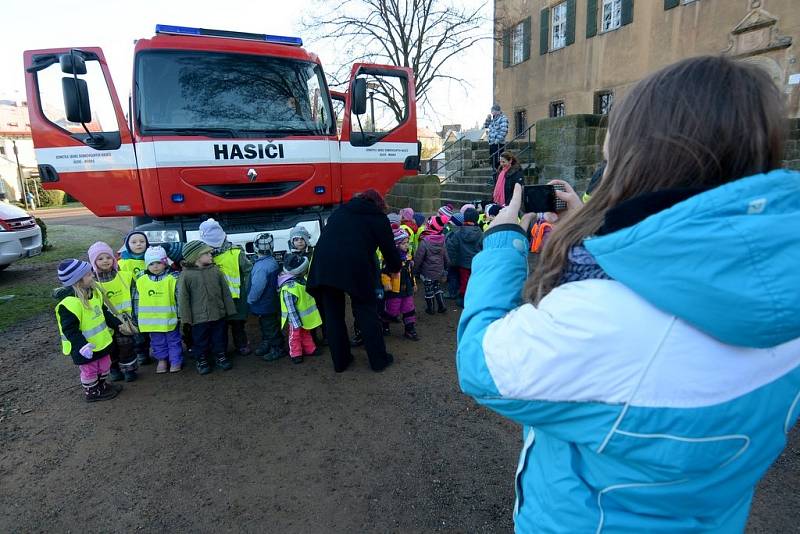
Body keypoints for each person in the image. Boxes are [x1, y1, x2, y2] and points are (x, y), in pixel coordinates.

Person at [456, 56, 800, 532]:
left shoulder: (604, 317)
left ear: (639, 161)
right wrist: (588, 228)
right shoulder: (784, 286)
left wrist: (501, 244)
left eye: (611, 157)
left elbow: (479, 365)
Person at [307, 189, 401, 373]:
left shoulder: (340, 211)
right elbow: (390, 251)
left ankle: (340, 362)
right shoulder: (378, 219)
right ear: (378, 204)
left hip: (324, 266)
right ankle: (378, 360)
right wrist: (394, 269)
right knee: (367, 312)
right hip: (355, 267)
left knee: (333, 315)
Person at [54, 259, 124, 402]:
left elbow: (104, 312)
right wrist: (82, 346)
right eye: (87, 274)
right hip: (84, 348)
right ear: (77, 280)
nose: (92, 275)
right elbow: (70, 330)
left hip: (101, 342)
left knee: (104, 366)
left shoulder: (94, 292)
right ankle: (92, 392)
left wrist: (118, 325)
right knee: (90, 370)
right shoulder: (68, 304)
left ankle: (102, 386)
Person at [177, 241, 237, 375]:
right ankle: (202, 359)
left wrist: (229, 309)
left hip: (218, 314)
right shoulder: (186, 275)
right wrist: (186, 318)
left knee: (220, 336)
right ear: (196, 256)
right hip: (198, 318)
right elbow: (183, 299)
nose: (211, 255)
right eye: (207, 253)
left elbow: (225, 292)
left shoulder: (216, 271)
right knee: (200, 339)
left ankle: (220, 355)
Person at [199, 218, 252, 356]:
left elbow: (248, 271)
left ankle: (241, 344)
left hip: (236, 298)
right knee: (219, 326)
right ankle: (221, 350)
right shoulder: (204, 257)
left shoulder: (236, 253)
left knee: (237, 324)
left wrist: (247, 289)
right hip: (216, 298)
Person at [88, 241, 139, 382]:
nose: (105, 261)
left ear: (114, 258)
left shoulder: (125, 276)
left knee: (126, 345)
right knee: (110, 347)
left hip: (124, 319)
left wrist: (135, 313)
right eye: (100, 258)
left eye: (108, 257)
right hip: (104, 321)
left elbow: (135, 296)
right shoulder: (91, 282)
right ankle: (114, 369)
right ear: (94, 261)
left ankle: (129, 369)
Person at [133, 246, 182, 373]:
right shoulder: (141, 280)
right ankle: (162, 360)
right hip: (152, 321)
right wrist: (137, 316)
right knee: (157, 342)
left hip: (169, 318)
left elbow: (178, 297)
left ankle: (175, 360)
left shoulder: (173, 278)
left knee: (173, 340)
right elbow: (137, 300)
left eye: (159, 263)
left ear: (165, 263)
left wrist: (180, 314)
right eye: (151, 263)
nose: (155, 266)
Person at [247, 233, 286, 362]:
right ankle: (268, 343)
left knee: (269, 326)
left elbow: (257, 287)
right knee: (269, 324)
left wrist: (251, 299)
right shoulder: (272, 262)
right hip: (271, 302)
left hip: (264, 303)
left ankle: (277, 348)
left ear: (255, 248)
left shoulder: (260, 267)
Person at [279, 253, 322, 364]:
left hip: (304, 318)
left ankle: (310, 349)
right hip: (295, 320)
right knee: (295, 336)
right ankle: (295, 353)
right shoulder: (289, 288)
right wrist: (295, 322)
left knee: (306, 333)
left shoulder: (302, 280)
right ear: (300, 271)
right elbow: (290, 307)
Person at [381, 229, 418, 341]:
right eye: (403, 243)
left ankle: (409, 329)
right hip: (394, 290)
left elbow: (411, 273)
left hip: (407, 289)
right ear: (396, 245)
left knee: (409, 308)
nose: (407, 245)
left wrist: (414, 283)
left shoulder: (408, 259)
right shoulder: (389, 260)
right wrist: (386, 283)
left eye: (407, 242)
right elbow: (384, 273)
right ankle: (385, 324)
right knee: (392, 310)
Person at [446, 207, 482, 307]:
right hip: (476, 262)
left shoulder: (458, 234)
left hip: (463, 263)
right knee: (475, 280)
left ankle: (463, 299)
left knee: (464, 281)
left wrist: (453, 261)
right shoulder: (480, 234)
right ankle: (475, 298)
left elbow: (452, 248)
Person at [414, 215, 449, 315]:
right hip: (439, 270)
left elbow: (419, 257)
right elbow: (445, 255)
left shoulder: (425, 240)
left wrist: (414, 271)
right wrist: (447, 267)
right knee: (437, 287)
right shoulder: (442, 239)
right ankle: (441, 306)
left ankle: (431, 308)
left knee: (429, 290)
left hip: (427, 272)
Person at [483, 104, 508, 183]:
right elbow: (485, 127)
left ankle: (500, 178)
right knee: (493, 161)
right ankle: (495, 178)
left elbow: (503, 131)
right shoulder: (492, 120)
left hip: (498, 144)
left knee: (498, 162)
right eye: (491, 111)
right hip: (492, 144)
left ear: (498, 111)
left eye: (493, 111)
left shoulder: (503, 119)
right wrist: (487, 119)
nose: (492, 113)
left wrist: (497, 140)